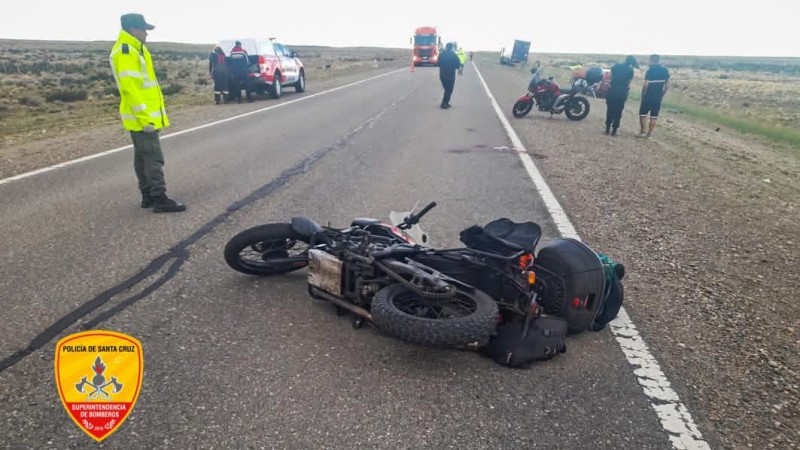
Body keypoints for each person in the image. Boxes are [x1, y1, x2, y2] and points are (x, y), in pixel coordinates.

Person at [109, 13, 185, 213]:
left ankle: (148, 196)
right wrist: (144, 118)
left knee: (142, 157)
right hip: (142, 118)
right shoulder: (126, 52)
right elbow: (130, 89)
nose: (146, 34)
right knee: (153, 158)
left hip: (142, 116)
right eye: (144, 30)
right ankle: (159, 198)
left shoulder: (136, 49)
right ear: (134, 30)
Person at [604, 55, 638, 136]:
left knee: (610, 109)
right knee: (618, 111)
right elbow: (628, 83)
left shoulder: (616, 66)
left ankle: (607, 129)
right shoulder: (630, 70)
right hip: (622, 91)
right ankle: (614, 131)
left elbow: (609, 76)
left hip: (612, 90)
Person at [639, 54, 671, 138]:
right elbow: (668, 84)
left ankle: (642, 131)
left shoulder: (650, 70)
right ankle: (649, 134)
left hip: (648, 95)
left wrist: (643, 94)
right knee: (654, 116)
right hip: (658, 96)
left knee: (643, 114)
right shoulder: (665, 70)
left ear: (651, 60)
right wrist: (663, 93)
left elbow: (646, 84)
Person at [438, 43, 461, 109]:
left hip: (442, 74)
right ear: (451, 48)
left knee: (447, 89)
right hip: (450, 75)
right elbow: (457, 64)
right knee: (449, 90)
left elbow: (438, 63)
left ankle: (446, 102)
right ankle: (444, 103)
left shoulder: (441, 54)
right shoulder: (454, 55)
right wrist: (453, 67)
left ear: (446, 47)